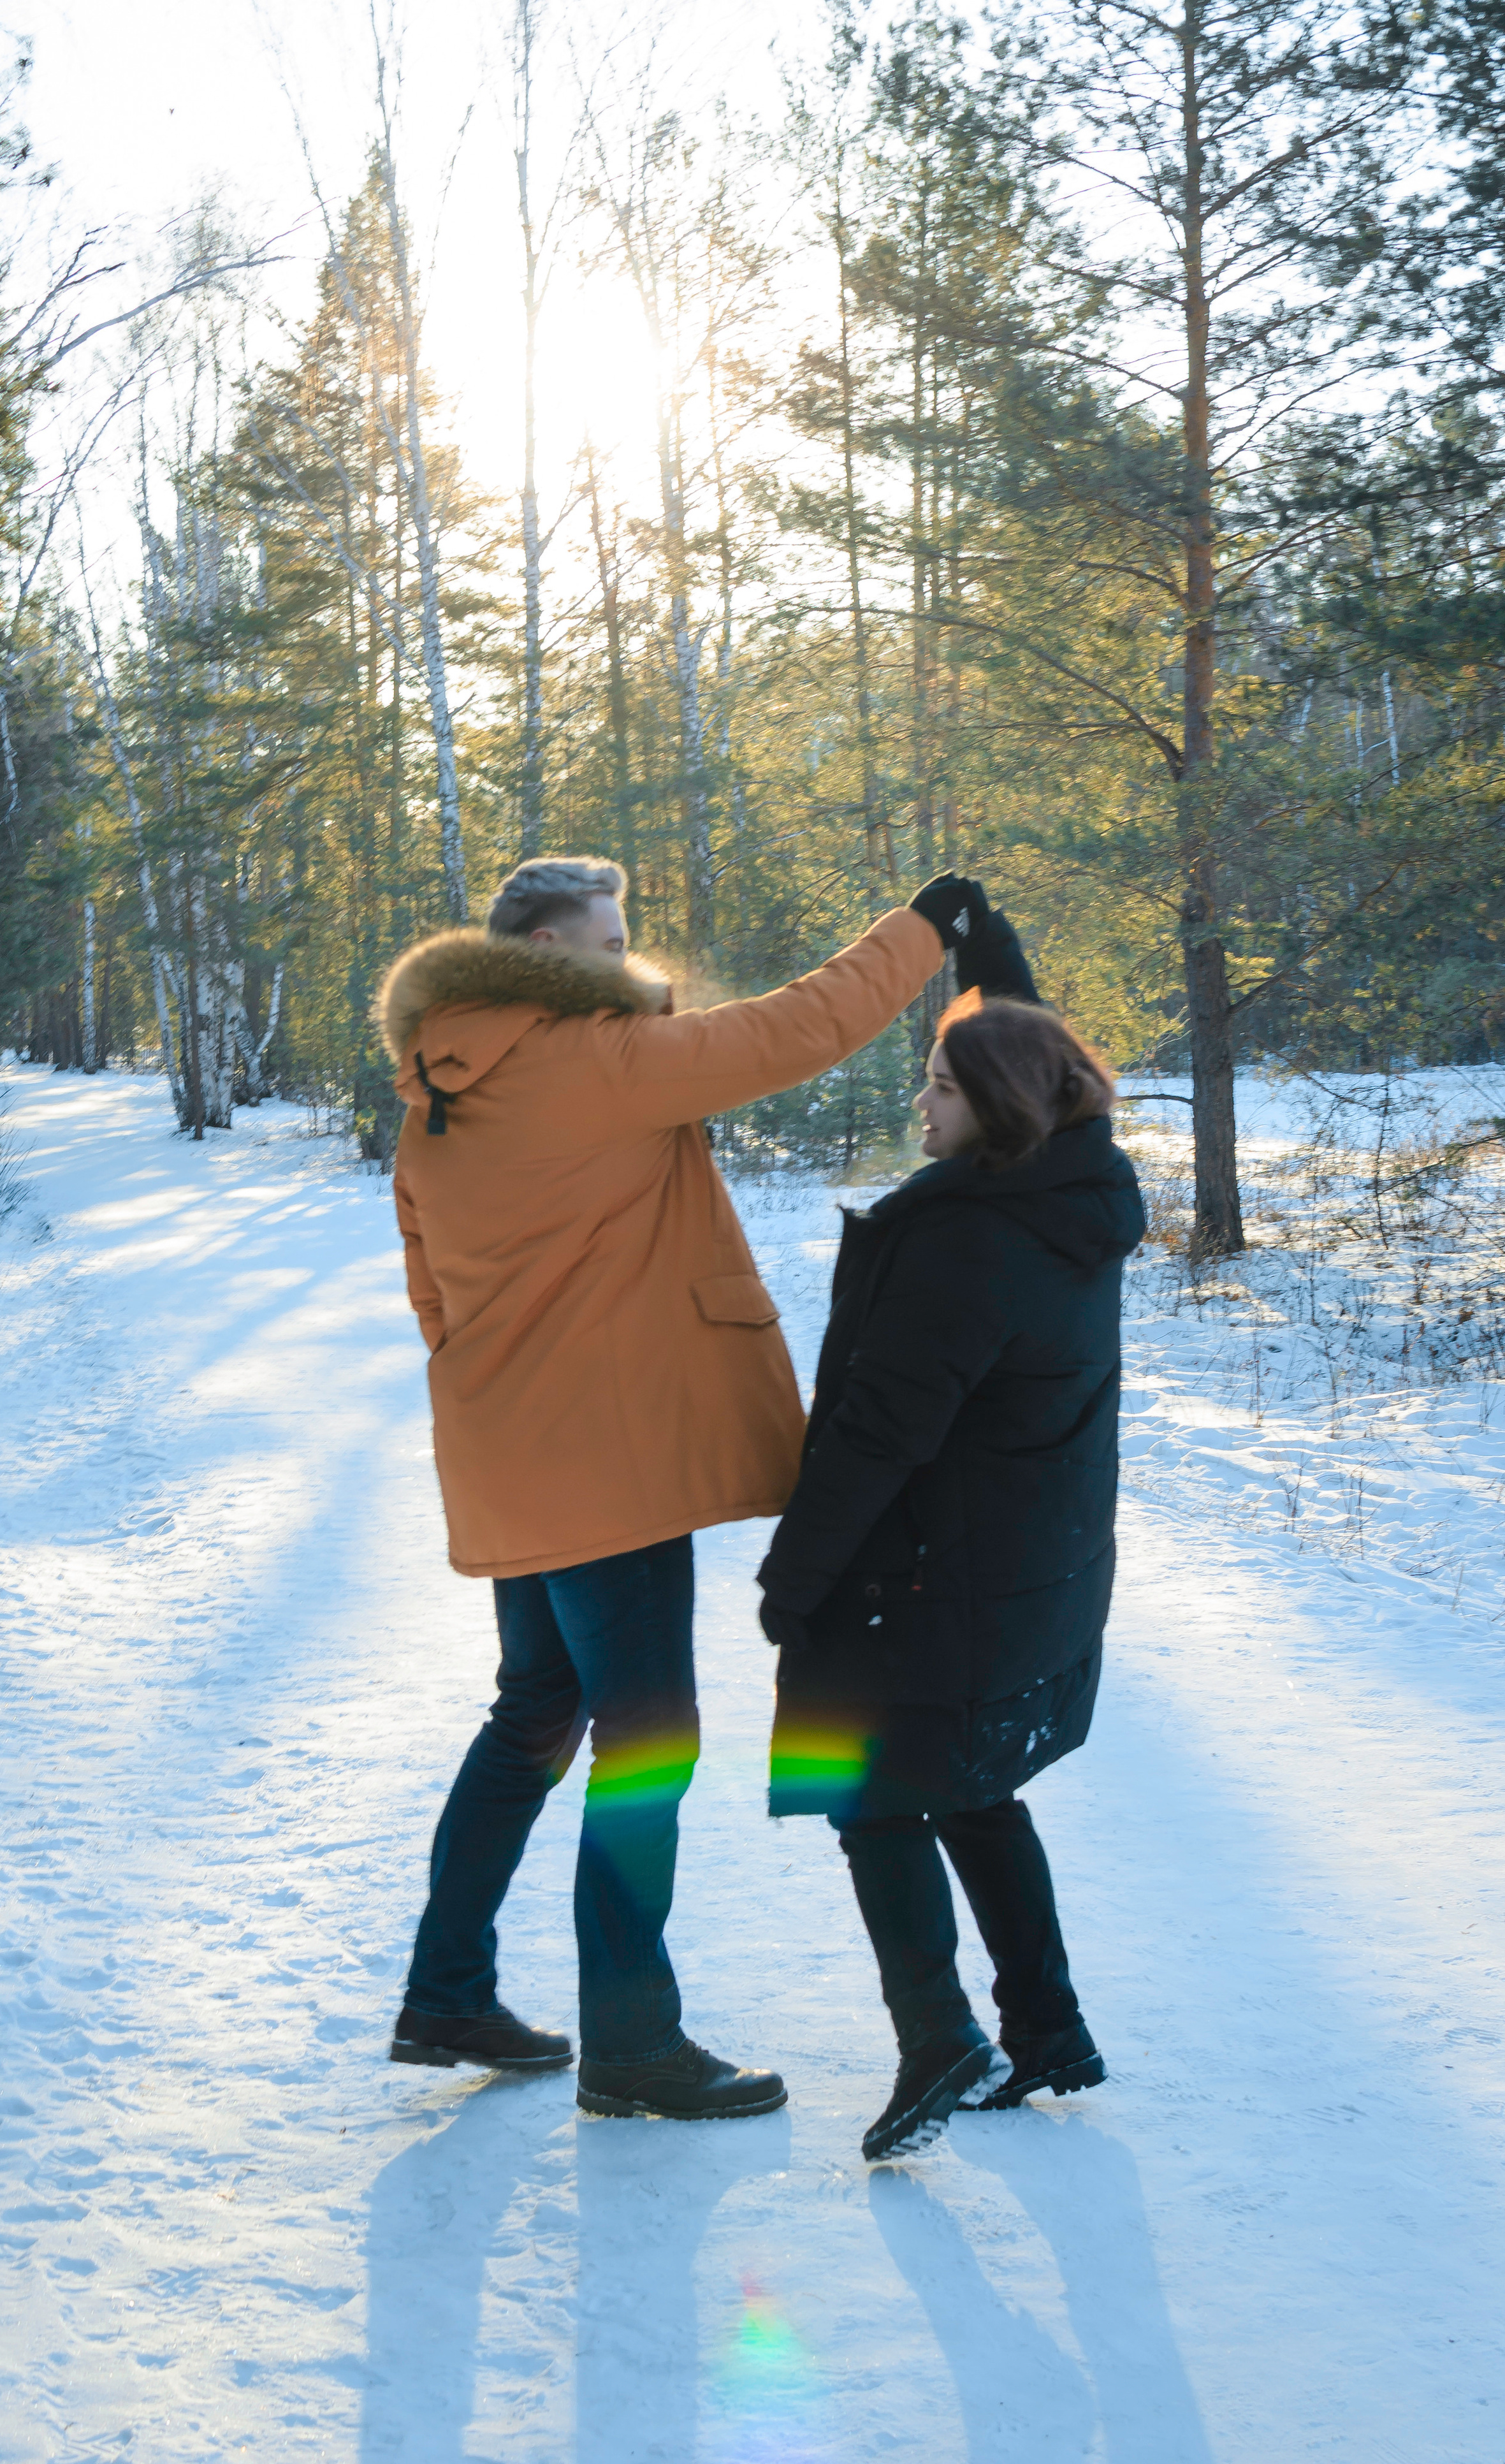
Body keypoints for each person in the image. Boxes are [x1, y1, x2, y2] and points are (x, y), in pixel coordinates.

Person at [377, 854, 971, 2120]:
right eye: (606, 940)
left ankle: (446, 1990)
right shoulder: (593, 1056)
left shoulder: (433, 1089)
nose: (626, 961)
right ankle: (632, 2040)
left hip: (511, 1458)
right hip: (610, 1469)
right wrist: (920, 928)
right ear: (540, 948)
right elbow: (799, 1026)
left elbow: (431, 1299)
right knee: (646, 1741)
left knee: (535, 1710)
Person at [756, 897, 1145, 2160]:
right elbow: (1014, 1034)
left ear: (996, 1103)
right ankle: (1048, 2030)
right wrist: (975, 949)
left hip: (933, 1579)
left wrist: (792, 1577)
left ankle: (939, 2040)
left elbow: (878, 1432)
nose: (917, 1104)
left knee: (867, 1796)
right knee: (973, 1793)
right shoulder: (1066, 1192)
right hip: (1021, 1577)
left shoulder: (967, 1245)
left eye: (936, 1085)